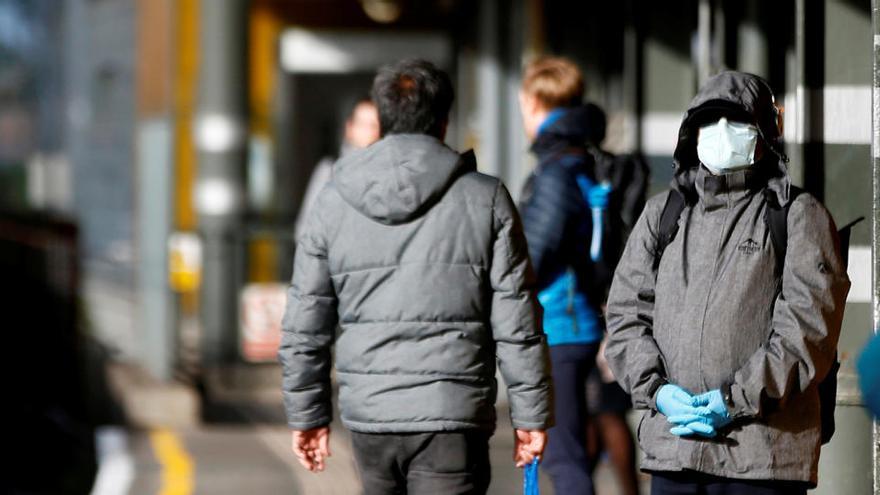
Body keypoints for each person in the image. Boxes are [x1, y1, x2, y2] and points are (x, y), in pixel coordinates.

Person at [278, 58, 552, 495]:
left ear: (383, 119)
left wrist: (308, 415)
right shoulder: (486, 198)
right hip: (453, 411)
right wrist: (532, 416)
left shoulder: (333, 199)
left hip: (370, 414)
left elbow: (305, 321)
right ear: (444, 122)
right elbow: (518, 321)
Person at [604, 71, 850, 494]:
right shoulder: (663, 214)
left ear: (763, 135)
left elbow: (808, 332)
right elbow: (626, 314)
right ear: (692, 134)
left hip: (763, 458)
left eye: (736, 122)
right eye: (710, 120)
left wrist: (732, 399)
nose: (721, 132)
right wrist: (657, 392)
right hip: (676, 450)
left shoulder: (798, 215)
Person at [517, 56, 608, 495]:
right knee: (576, 448)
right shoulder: (577, 157)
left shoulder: (555, 171)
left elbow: (532, 255)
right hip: (576, 320)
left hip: (561, 324)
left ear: (535, 102)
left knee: (563, 455)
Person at [581, 102, 645, 495]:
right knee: (609, 408)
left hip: (588, 302)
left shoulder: (580, 170)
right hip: (618, 302)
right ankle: (627, 490)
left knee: (596, 411)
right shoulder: (627, 169)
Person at [295, 96, 379, 239]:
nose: (368, 132)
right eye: (362, 124)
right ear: (350, 127)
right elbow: (305, 229)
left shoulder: (386, 173)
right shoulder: (329, 170)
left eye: (373, 125)